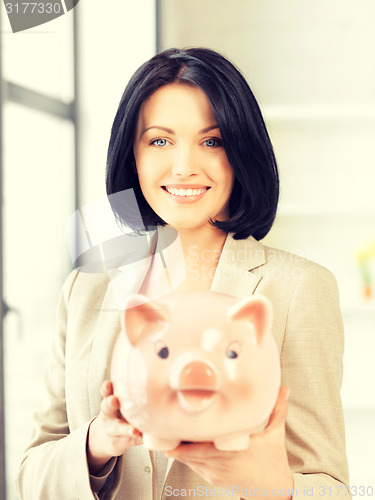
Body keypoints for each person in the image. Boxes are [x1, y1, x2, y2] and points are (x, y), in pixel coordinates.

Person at [16, 48, 350, 499]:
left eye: (211, 141)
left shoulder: (297, 290)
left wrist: (274, 486)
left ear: (241, 151)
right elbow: (30, 475)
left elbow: (332, 487)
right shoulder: (86, 289)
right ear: (132, 155)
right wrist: (100, 441)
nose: (185, 166)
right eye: (159, 140)